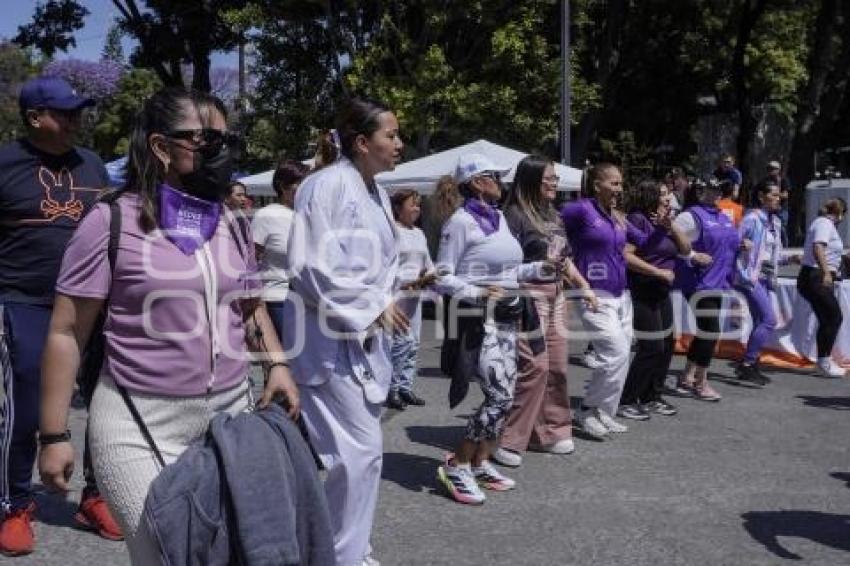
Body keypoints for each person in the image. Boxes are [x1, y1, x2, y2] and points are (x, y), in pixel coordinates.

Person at [37, 87, 299, 564]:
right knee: (166, 554)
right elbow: (67, 332)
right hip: (138, 424)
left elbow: (250, 306)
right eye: (209, 140)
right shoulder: (109, 222)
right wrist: (54, 435)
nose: (223, 152)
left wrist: (276, 365)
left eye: (228, 140)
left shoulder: (233, 223)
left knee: (228, 552)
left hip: (228, 420)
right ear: (161, 147)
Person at [0, 76, 121, 556]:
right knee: (26, 405)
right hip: (24, 300)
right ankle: (13, 504)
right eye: (66, 113)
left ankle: (96, 494)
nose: (76, 120)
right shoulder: (5, 163)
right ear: (35, 118)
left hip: (91, 302)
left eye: (78, 112)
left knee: (104, 400)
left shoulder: (92, 163)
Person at [281, 98, 404, 565]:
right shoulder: (325, 185)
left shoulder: (377, 194)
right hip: (327, 340)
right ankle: (338, 555)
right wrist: (371, 305)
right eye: (391, 135)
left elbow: (382, 266)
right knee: (355, 456)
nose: (399, 143)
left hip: (364, 339)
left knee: (362, 456)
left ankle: (350, 549)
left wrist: (398, 292)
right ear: (362, 142)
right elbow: (309, 264)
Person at [435, 153, 556, 504]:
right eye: (495, 177)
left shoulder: (499, 217)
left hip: (507, 318)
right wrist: (477, 292)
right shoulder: (459, 222)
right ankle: (458, 464)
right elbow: (442, 276)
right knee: (499, 396)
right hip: (477, 322)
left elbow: (510, 271)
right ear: (477, 182)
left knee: (507, 393)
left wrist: (540, 269)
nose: (502, 183)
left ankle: (480, 461)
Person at [493, 155, 593, 467]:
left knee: (558, 366)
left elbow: (564, 258)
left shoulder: (554, 214)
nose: (554, 183)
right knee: (534, 367)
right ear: (531, 180)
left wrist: (584, 286)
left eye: (555, 178)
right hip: (528, 295)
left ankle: (550, 431)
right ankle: (509, 437)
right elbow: (505, 263)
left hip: (556, 294)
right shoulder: (512, 216)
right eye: (548, 178)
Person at [560, 163, 644, 439]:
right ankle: (586, 410)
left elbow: (645, 242)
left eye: (621, 183)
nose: (620, 188)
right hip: (593, 294)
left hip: (622, 294)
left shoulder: (615, 215)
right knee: (615, 352)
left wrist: (666, 228)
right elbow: (551, 226)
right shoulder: (580, 209)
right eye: (614, 183)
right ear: (597, 185)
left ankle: (604, 412)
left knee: (622, 355)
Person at [617, 179, 695, 420]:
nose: (668, 197)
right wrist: (657, 272)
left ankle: (651, 396)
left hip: (661, 290)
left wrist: (671, 226)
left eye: (668, 193)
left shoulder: (664, 221)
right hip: (642, 287)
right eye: (663, 193)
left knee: (667, 345)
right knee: (651, 346)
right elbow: (626, 256)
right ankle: (626, 400)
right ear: (649, 196)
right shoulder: (638, 219)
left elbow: (685, 249)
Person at [672, 179, 744, 401]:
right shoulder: (690, 216)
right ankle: (701, 382)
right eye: (710, 190)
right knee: (711, 331)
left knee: (706, 331)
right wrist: (692, 255)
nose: (716, 193)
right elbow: (670, 243)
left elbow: (729, 244)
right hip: (698, 282)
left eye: (719, 190)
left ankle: (687, 376)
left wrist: (741, 245)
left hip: (719, 282)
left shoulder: (723, 216)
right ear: (699, 192)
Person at [734, 181, 799, 385]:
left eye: (780, 195)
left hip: (765, 278)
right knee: (769, 320)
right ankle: (747, 363)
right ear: (761, 197)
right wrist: (740, 244)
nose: (779, 198)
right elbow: (731, 243)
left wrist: (790, 258)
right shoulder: (752, 219)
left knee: (759, 320)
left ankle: (751, 364)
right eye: (774, 195)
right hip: (750, 278)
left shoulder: (775, 222)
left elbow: (773, 255)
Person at [386, 189, 435, 410]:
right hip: (397, 294)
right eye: (412, 204)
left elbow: (427, 263)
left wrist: (429, 276)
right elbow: (387, 265)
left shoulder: (419, 233)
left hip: (416, 295)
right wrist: (405, 282)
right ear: (398, 208)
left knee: (413, 343)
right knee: (400, 343)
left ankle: (405, 387)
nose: (417, 209)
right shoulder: (392, 231)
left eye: (418, 205)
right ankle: (392, 388)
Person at [251, 159, 309, 342]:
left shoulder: (308, 215)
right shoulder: (266, 215)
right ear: (283, 186)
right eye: (300, 183)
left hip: (308, 300)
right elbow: (251, 259)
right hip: (279, 300)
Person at [797, 197, 848, 378]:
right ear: (840, 212)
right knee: (834, 316)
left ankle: (823, 361)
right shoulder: (824, 223)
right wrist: (826, 272)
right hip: (816, 275)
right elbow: (818, 247)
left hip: (816, 275)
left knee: (827, 319)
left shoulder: (824, 224)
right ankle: (824, 361)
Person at [756, 161, 792, 245]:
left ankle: (785, 247)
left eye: (774, 169)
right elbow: (759, 194)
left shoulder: (783, 180)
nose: (771, 170)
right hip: (767, 209)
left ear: (779, 170)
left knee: (781, 229)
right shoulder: (763, 181)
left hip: (781, 209)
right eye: (769, 168)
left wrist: (773, 194)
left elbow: (785, 195)